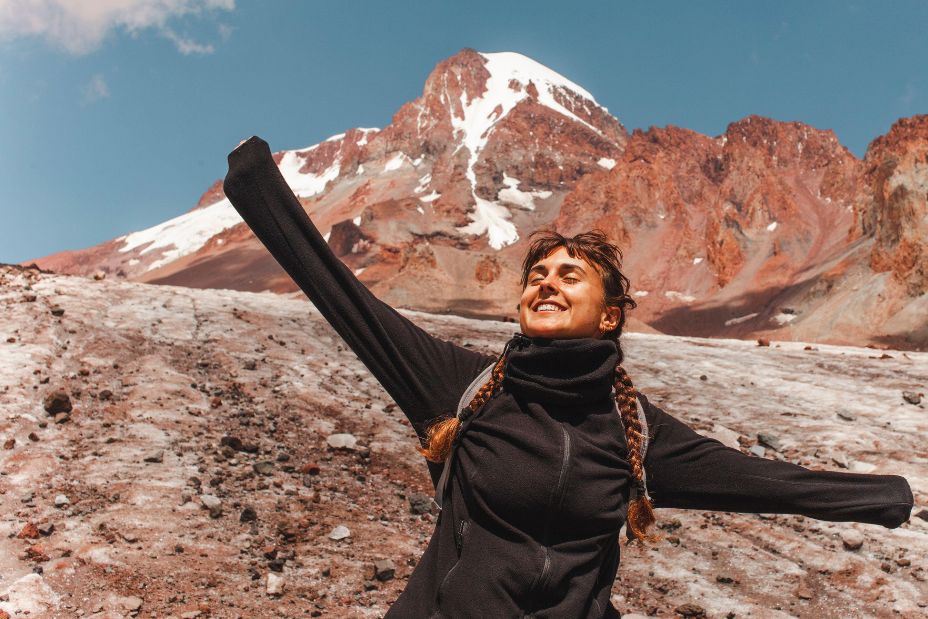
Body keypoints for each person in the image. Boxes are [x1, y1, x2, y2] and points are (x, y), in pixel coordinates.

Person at [222, 135, 914, 618]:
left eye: (569, 275)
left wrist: (891, 495)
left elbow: (763, 481)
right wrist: (258, 186)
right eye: (537, 276)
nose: (546, 283)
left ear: (610, 314)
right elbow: (352, 306)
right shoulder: (462, 387)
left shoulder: (635, 426)